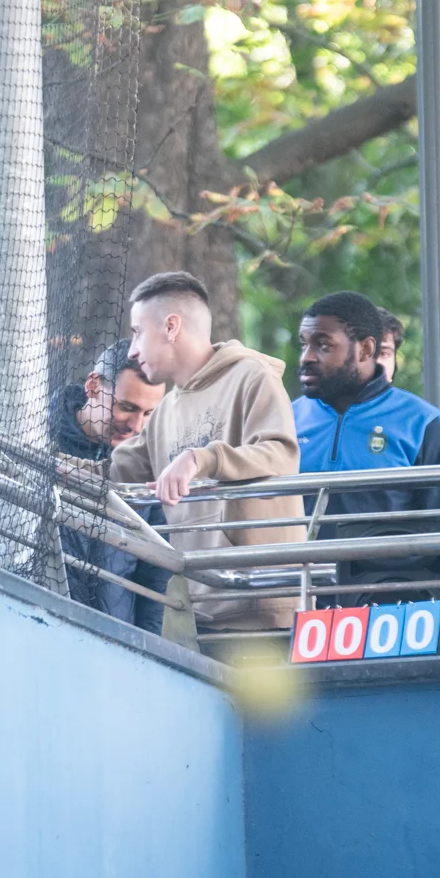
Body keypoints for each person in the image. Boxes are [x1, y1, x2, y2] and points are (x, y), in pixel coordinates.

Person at [292, 292, 440, 655]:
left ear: (365, 350)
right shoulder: (284, 420)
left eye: (322, 345)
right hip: (298, 608)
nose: (306, 357)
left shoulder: (424, 423)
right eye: (304, 344)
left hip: (395, 615)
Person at [109, 272, 305, 634]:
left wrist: (202, 458)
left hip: (263, 611)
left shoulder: (252, 376)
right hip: (200, 613)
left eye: (138, 332)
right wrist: (47, 464)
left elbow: (280, 453)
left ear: (171, 326)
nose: (132, 350)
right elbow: (113, 471)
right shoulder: (166, 410)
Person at [52, 339, 170, 632]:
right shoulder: (37, 434)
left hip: (116, 636)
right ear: (93, 386)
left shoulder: (149, 461)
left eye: (148, 413)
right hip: (36, 621)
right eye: (127, 407)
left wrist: (147, 645)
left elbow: (154, 574)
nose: (136, 425)